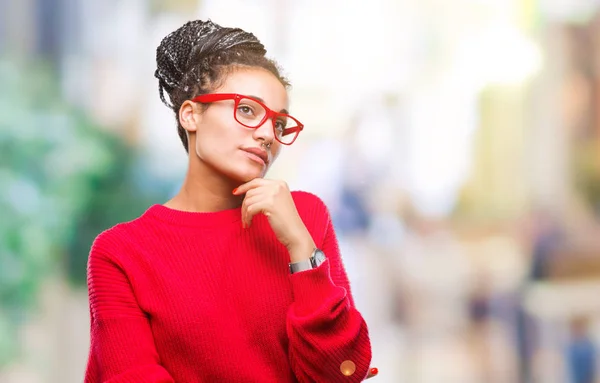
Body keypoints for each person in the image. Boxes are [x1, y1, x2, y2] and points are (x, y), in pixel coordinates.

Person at [84, 19, 374, 382]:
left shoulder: (304, 217)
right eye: (248, 110)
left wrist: (301, 249)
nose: (268, 134)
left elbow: (342, 372)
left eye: (279, 124)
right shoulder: (122, 253)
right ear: (191, 114)